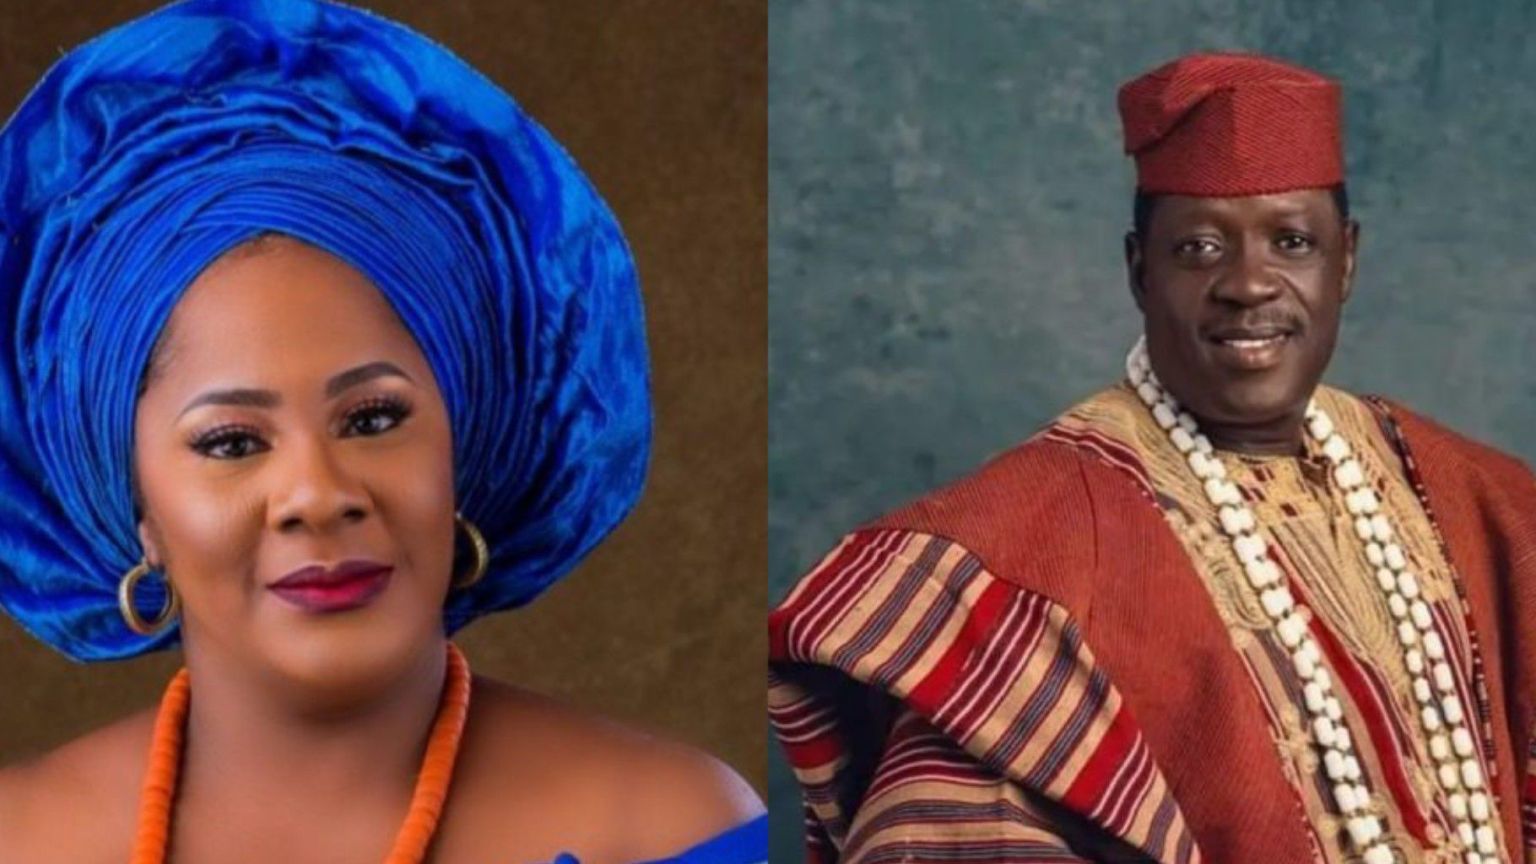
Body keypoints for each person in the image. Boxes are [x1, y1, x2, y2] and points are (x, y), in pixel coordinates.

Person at [0, 1, 765, 862]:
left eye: (372, 419)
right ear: (136, 510)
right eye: (232, 442)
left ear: (464, 451)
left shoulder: (670, 827)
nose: (318, 494)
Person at [768, 52, 1536, 864]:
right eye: (1199, 248)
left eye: (1292, 241)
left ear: (1345, 260)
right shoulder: (1034, 547)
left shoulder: (1479, 500)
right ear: (1140, 271)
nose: (1249, 284)